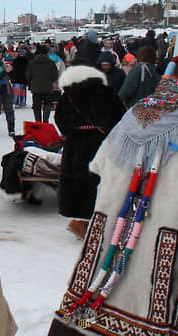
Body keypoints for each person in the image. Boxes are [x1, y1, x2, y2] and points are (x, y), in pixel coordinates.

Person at [49, 52, 178, 336]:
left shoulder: (135, 116)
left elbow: (99, 164)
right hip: (167, 242)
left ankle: (83, 328)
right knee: (151, 305)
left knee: (97, 304)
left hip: (113, 235)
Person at [54, 65, 125, 239]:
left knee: (79, 183)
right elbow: (120, 117)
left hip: (75, 146)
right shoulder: (105, 92)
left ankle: (81, 222)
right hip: (102, 144)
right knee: (102, 181)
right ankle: (95, 223)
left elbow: (60, 120)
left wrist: (75, 131)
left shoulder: (67, 95)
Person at [27, 44, 60, 123]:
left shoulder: (32, 63)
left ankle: (38, 122)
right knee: (48, 104)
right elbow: (55, 76)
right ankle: (45, 121)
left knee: (36, 106)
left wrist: (32, 82)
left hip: (36, 88)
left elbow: (28, 76)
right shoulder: (51, 63)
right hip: (48, 87)